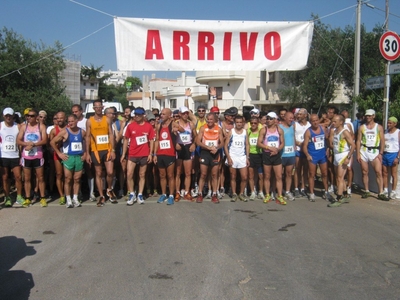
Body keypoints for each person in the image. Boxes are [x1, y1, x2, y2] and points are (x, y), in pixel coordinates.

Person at [50, 114, 86, 208]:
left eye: (72, 121)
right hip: (68, 158)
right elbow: (52, 142)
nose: (70, 123)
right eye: (69, 122)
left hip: (78, 157)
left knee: (77, 179)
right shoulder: (64, 132)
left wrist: (86, 153)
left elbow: (87, 141)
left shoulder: (82, 132)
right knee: (68, 179)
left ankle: (75, 198)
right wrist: (59, 153)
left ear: (76, 121)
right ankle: (68, 199)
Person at [86, 99, 117, 207]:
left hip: (107, 149)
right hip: (95, 150)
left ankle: (109, 189)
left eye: (100, 106)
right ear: (93, 108)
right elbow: (88, 137)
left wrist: (113, 150)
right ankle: (101, 195)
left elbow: (111, 135)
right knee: (98, 173)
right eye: (96, 107)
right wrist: (87, 153)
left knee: (109, 172)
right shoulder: (89, 121)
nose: (98, 108)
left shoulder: (107, 119)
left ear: (102, 107)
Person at [122, 107, 155, 205]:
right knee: (129, 174)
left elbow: (152, 140)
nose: (136, 116)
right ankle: (132, 193)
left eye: (139, 114)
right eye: (135, 114)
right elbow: (126, 140)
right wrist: (123, 154)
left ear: (143, 115)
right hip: (132, 153)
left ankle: (140, 194)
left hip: (144, 154)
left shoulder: (148, 126)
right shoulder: (130, 126)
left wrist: (150, 154)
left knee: (142, 175)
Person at [17, 108, 48, 207]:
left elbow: (44, 141)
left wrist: (34, 145)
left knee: (41, 177)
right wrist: (27, 144)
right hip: (26, 156)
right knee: (27, 178)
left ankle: (42, 197)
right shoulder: (23, 127)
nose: (29, 117)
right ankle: (27, 198)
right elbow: (18, 140)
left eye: (32, 116)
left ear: (36, 117)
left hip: (37, 155)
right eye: (28, 116)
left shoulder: (41, 126)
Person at [356, 109, 387, 200]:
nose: (368, 117)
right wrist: (358, 153)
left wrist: (381, 153)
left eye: (370, 116)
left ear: (373, 116)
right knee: (364, 172)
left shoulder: (379, 127)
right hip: (364, 150)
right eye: (367, 116)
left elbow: (382, 140)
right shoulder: (362, 127)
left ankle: (380, 192)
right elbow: (358, 141)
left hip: (374, 151)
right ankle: (366, 190)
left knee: (378, 172)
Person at [303, 114, 335, 202]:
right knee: (312, 175)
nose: (315, 122)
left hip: (322, 155)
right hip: (313, 155)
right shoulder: (308, 132)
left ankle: (326, 191)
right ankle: (312, 193)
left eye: (316, 120)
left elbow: (327, 140)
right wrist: (307, 155)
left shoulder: (322, 129)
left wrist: (328, 148)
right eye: (313, 121)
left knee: (324, 174)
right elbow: (304, 146)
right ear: (310, 122)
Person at [257, 111, 286, 205]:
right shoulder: (263, 130)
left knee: (278, 176)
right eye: (267, 118)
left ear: (275, 120)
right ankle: (267, 195)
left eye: (270, 119)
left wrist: (277, 150)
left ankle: (280, 195)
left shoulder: (279, 130)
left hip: (276, 155)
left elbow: (282, 143)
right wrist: (268, 147)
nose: (268, 120)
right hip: (267, 154)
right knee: (267, 176)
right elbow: (259, 143)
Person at [196, 112, 224, 203]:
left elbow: (222, 142)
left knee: (214, 175)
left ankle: (214, 194)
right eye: (208, 119)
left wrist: (217, 148)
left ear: (215, 120)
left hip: (215, 153)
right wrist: (208, 147)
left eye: (211, 119)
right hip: (205, 153)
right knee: (203, 174)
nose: (209, 121)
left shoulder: (219, 129)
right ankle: (200, 194)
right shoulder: (203, 128)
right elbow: (198, 141)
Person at [328, 114, 355, 207]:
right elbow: (332, 143)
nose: (333, 123)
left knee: (340, 178)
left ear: (341, 122)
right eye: (333, 121)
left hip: (343, 155)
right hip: (336, 155)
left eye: (335, 121)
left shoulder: (345, 132)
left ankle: (338, 198)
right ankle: (345, 194)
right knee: (339, 177)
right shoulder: (334, 131)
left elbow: (353, 145)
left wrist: (348, 158)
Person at [154, 108, 179, 205]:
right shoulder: (159, 125)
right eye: (161, 114)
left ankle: (171, 195)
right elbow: (157, 140)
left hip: (170, 153)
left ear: (169, 115)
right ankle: (164, 194)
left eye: (164, 114)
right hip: (160, 154)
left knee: (170, 175)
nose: (161, 115)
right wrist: (155, 154)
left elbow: (182, 129)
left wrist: (177, 129)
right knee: (162, 175)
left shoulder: (173, 123)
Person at [0, 107, 24, 207]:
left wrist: (21, 153)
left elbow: (21, 141)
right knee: (5, 178)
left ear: (13, 116)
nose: (8, 117)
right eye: (6, 115)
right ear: (3, 116)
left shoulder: (18, 126)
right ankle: (7, 197)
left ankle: (19, 196)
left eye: (10, 115)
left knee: (18, 177)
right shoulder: (0, 125)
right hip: (3, 155)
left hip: (15, 155)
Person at [224, 115, 250, 202]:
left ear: (243, 123)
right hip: (233, 156)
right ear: (235, 123)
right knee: (233, 176)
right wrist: (228, 157)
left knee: (244, 177)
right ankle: (234, 193)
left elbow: (247, 144)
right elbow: (225, 145)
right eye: (237, 122)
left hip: (242, 157)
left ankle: (241, 193)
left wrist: (247, 157)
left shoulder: (245, 132)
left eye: (240, 122)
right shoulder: (231, 132)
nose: (239, 124)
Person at [174, 106, 197, 202]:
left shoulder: (191, 124)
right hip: (179, 148)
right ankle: (177, 192)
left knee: (188, 173)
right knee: (178, 173)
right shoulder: (175, 124)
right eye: (183, 113)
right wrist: (175, 144)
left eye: (187, 113)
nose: (185, 115)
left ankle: (187, 192)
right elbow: (172, 136)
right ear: (179, 114)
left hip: (188, 148)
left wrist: (194, 144)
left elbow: (196, 136)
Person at [49, 111, 67, 205]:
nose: (59, 120)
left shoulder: (69, 128)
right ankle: (61, 196)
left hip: (68, 154)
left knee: (68, 176)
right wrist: (58, 152)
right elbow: (50, 143)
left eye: (61, 118)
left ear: (65, 118)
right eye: (57, 118)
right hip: (58, 155)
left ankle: (68, 194)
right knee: (59, 174)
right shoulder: (53, 130)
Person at [293, 108, 310, 197]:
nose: (298, 116)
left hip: (307, 151)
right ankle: (296, 188)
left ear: (305, 115)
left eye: (300, 114)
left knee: (306, 169)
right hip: (298, 150)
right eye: (298, 114)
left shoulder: (309, 125)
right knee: (297, 169)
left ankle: (303, 188)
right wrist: (298, 143)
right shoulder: (295, 125)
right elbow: (292, 137)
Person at [279, 111, 296, 201]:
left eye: (292, 118)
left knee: (289, 174)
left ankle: (287, 191)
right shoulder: (279, 127)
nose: (291, 119)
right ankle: (278, 191)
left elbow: (293, 137)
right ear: (284, 118)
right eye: (290, 118)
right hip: (282, 154)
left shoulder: (292, 127)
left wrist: (294, 147)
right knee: (279, 174)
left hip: (291, 154)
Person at [382, 116, 400, 199]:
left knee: (393, 174)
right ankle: (385, 190)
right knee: (384, 173)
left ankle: (393, 191)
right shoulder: (385, 132)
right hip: (385, 153)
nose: (388, 124)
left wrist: (398, 157)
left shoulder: (398, 132)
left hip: (393, 154)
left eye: (390, 123)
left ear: (395, 124)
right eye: (388, 123)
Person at [247, 116, 264, 200]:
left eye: (255, 123)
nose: (253, 124)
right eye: (252, 123)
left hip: (259, 155)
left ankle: (260, 191)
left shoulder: (261, 132)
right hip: (250, 155)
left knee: (260, 175)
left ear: (258, 124)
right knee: (251, 175)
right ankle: (253, 192)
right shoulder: (248, 132)